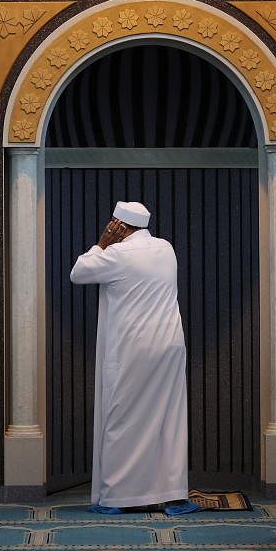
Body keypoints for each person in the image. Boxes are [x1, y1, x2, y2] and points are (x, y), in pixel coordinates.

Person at [70, 200, 199, 516]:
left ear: (119, 226)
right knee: (169, 418)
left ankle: (118, 497)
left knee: (123, 419)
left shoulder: (115, 254)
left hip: (134, 350)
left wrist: (101, 243)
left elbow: (78, 273)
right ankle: (173, 494)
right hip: (170, 346)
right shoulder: (165, 248)